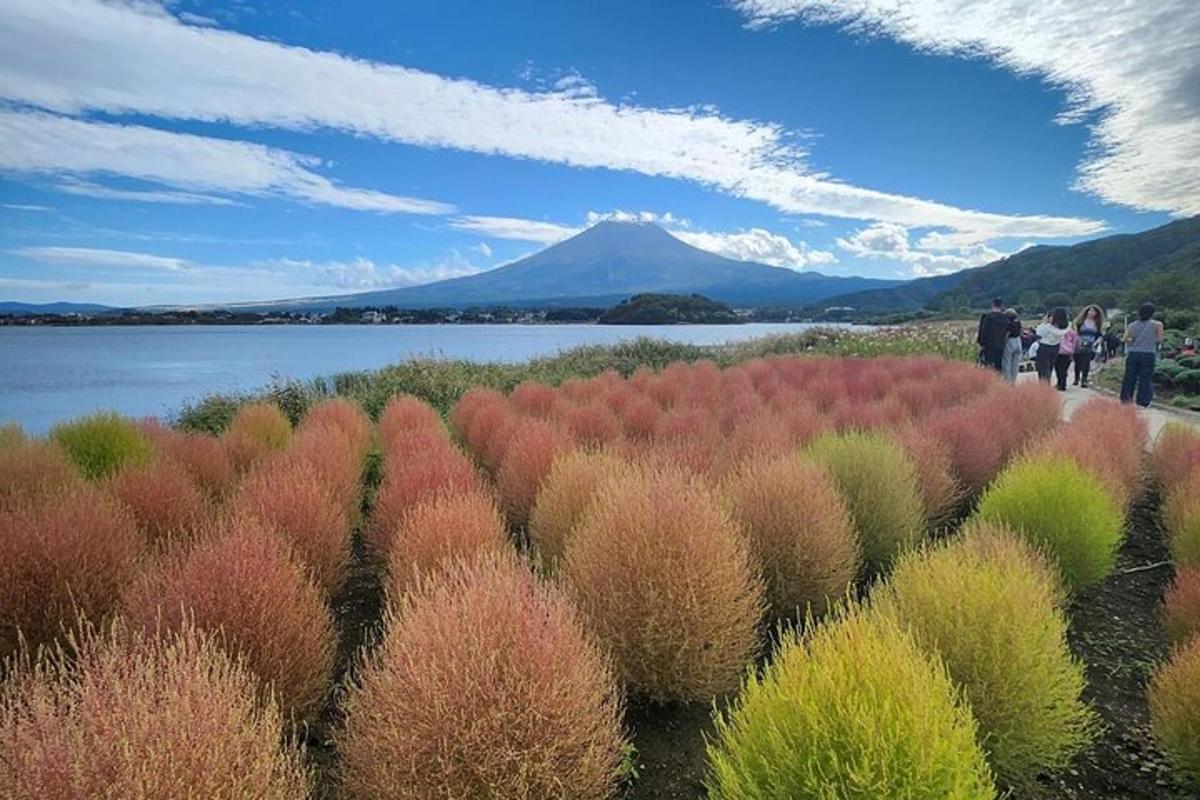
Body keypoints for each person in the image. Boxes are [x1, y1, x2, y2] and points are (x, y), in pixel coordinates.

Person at [1120, 302, 1165, 407]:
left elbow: (1126, 339)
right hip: (1148, 353)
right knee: (1145, 378)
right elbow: (1159, 339)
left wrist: (1134, 341)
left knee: (1129, 377)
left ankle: (1126, 399)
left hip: (1133, 353)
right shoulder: (1157, 324)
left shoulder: (1132, 325)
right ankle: (1143, 401)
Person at [1034, 308, 1068, 384]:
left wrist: (1044, 323)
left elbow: (1039, 333)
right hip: (1055, 347)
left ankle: (1044, 386)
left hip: (1045, 347)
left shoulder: (1047, 327)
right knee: (1049, 368)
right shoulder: (1063, 327)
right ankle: (1047, 384)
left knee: (1043, 369)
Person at [1073, 305, 1104, 387]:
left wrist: (1096, 342)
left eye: (1094, 311)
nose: (1091, 313)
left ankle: (1084, 379)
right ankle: (1076, 378)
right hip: (1079, 344)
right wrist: (1079, 341)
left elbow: (1100, 335)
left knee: (1086, 362)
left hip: (1090, 345)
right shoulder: (1080, 322)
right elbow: (1076, 333)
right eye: (1090, 311)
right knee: (1078, 362)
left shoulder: (1097, 324)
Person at [976, 298, 1009, 372]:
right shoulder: (1005, 318)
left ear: (992, 305)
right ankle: (998, 380)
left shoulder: (987, 317)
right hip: (1000, 345)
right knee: (998, 365)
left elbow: (983, 331)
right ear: (1001, 306)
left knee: (988, 365)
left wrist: (981, 343)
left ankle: (989, 379)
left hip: (989, 345)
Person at [1001, 308, 1023, 384]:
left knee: (1007, 362)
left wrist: (1003, 342)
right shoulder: (1018, 323)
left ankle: (1007, 381)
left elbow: (1007, 334)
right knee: (1015, 364)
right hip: (1018, 341)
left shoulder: (1008, 324)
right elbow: (1021, 332)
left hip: (1010, 341)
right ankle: (1013, 381)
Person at [1056, 317, 1078, 391]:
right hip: (1067, 351)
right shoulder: (1072, 331)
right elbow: (1074, 343)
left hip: (1059, 351)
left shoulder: (1056, 330)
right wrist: (1073, 351)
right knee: (1063, 369)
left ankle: (1061, 383)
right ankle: (1062, 383)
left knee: (1059, 368)